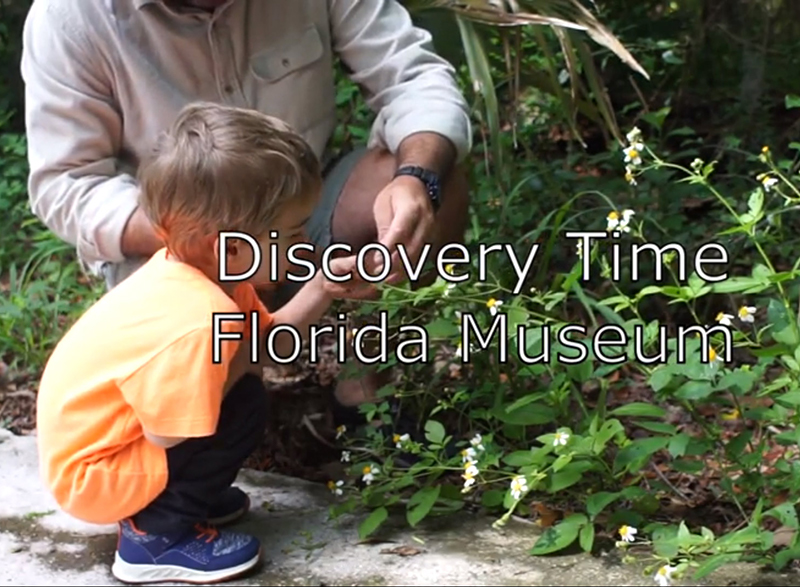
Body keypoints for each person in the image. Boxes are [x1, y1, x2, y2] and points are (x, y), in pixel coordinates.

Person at [20, 0, 472, 433]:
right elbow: (67, 181)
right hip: (177, 252)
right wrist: (200, 239)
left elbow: (412, 78)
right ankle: (203, 406)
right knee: (207, 425)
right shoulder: (70, 15)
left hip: (298, 224)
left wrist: (416, 177)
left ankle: (367, 394)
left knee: (437, 174)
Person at [36, 102, 350, 584]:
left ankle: (182, 499)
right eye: (290, 233)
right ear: (226, 245)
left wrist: (322, 287)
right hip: (93, 474)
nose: (304, 242)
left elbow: (263, 347)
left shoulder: (212, 278)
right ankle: (155, 536)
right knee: (237, 406)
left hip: (110, 450)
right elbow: (168, 433)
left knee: (241, 392)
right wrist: (232, 369)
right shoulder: (197, 319)